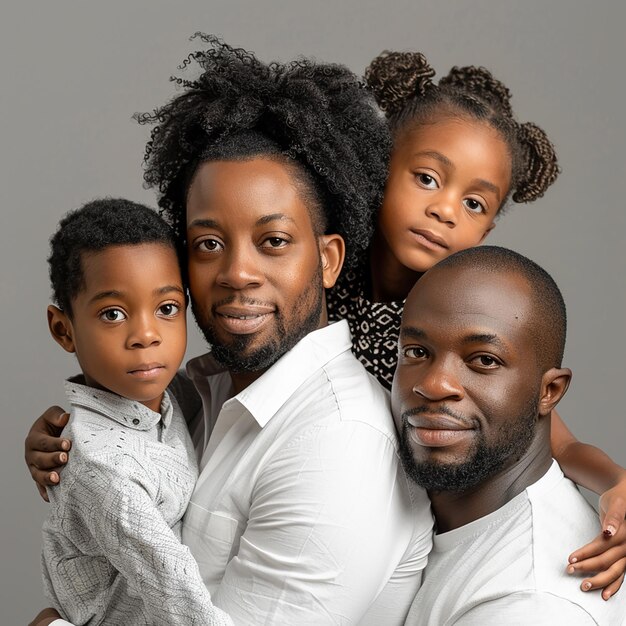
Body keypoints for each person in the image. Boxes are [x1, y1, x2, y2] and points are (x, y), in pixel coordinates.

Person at [27, 36, 433, 626]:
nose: (237, 273)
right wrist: (73, 440)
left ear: (328, 259)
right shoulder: (202, 388)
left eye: (273, 242)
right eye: (209, 244)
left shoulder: (339, 441)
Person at [326, 49, 626, 594]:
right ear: (380, 168)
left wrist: (619, 484)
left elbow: (563, 444)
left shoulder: (459, 325)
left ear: (486, 232)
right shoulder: (323, 268)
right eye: (426, 178)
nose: (445, 210)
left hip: (402, 549)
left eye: (473, 204)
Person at [392, 245, 625, 625]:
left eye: (484, 360)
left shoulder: (530, 604)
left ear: (548, 392)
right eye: (417, 351)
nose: (434, 384)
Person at [40, 199, 232, 625]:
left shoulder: (172, 394)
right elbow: (173, 589)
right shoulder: (101, 467)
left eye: (166, 309)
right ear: (63, 329)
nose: (146, 335)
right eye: (113, 314)